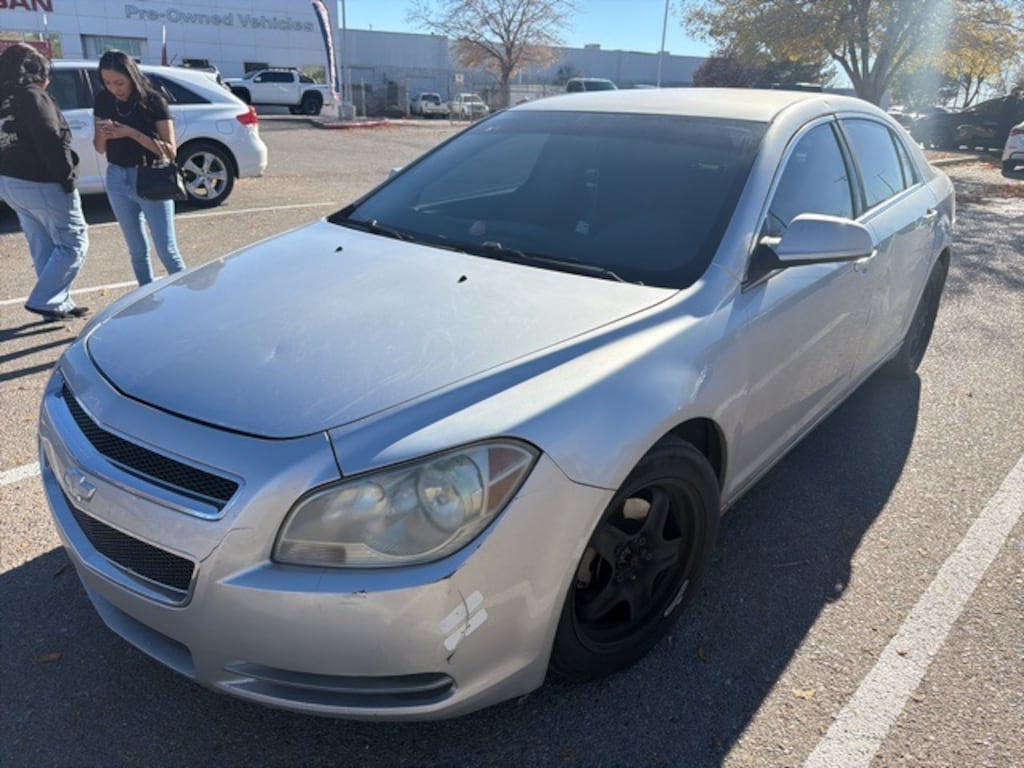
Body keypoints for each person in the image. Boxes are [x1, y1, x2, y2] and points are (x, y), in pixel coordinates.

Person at [0, 43, 89, 322]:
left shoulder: (5, 98)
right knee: (74, 241)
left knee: (43, 243)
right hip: (42, 180)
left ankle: (57, 303)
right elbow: (50, 138)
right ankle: (44, 299)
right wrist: (67, 178)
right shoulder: (33, 96)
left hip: (10, 181)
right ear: (39, 72)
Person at [93, 49, 186, 286]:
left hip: (150, 176)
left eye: (119, 82)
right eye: (108, 82)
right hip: (116, 177)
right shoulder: (104, 100)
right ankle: (147, 299)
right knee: (136, 250)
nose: (115, 88)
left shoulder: (153, 100)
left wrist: (132, 134)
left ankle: (185, 301)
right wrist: (103, 133)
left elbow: (170, 150)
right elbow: (99, 148)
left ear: (131, 75)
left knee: (167, 250)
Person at [997, 86, 1023, 150]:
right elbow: (1010, 110)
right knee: (1006, 139)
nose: (1019, 94)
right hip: (1007, 124)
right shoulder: (1008, 100)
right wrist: (1017, 99)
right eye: (1017, 93)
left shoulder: (1018, 101)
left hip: (1014, 123)